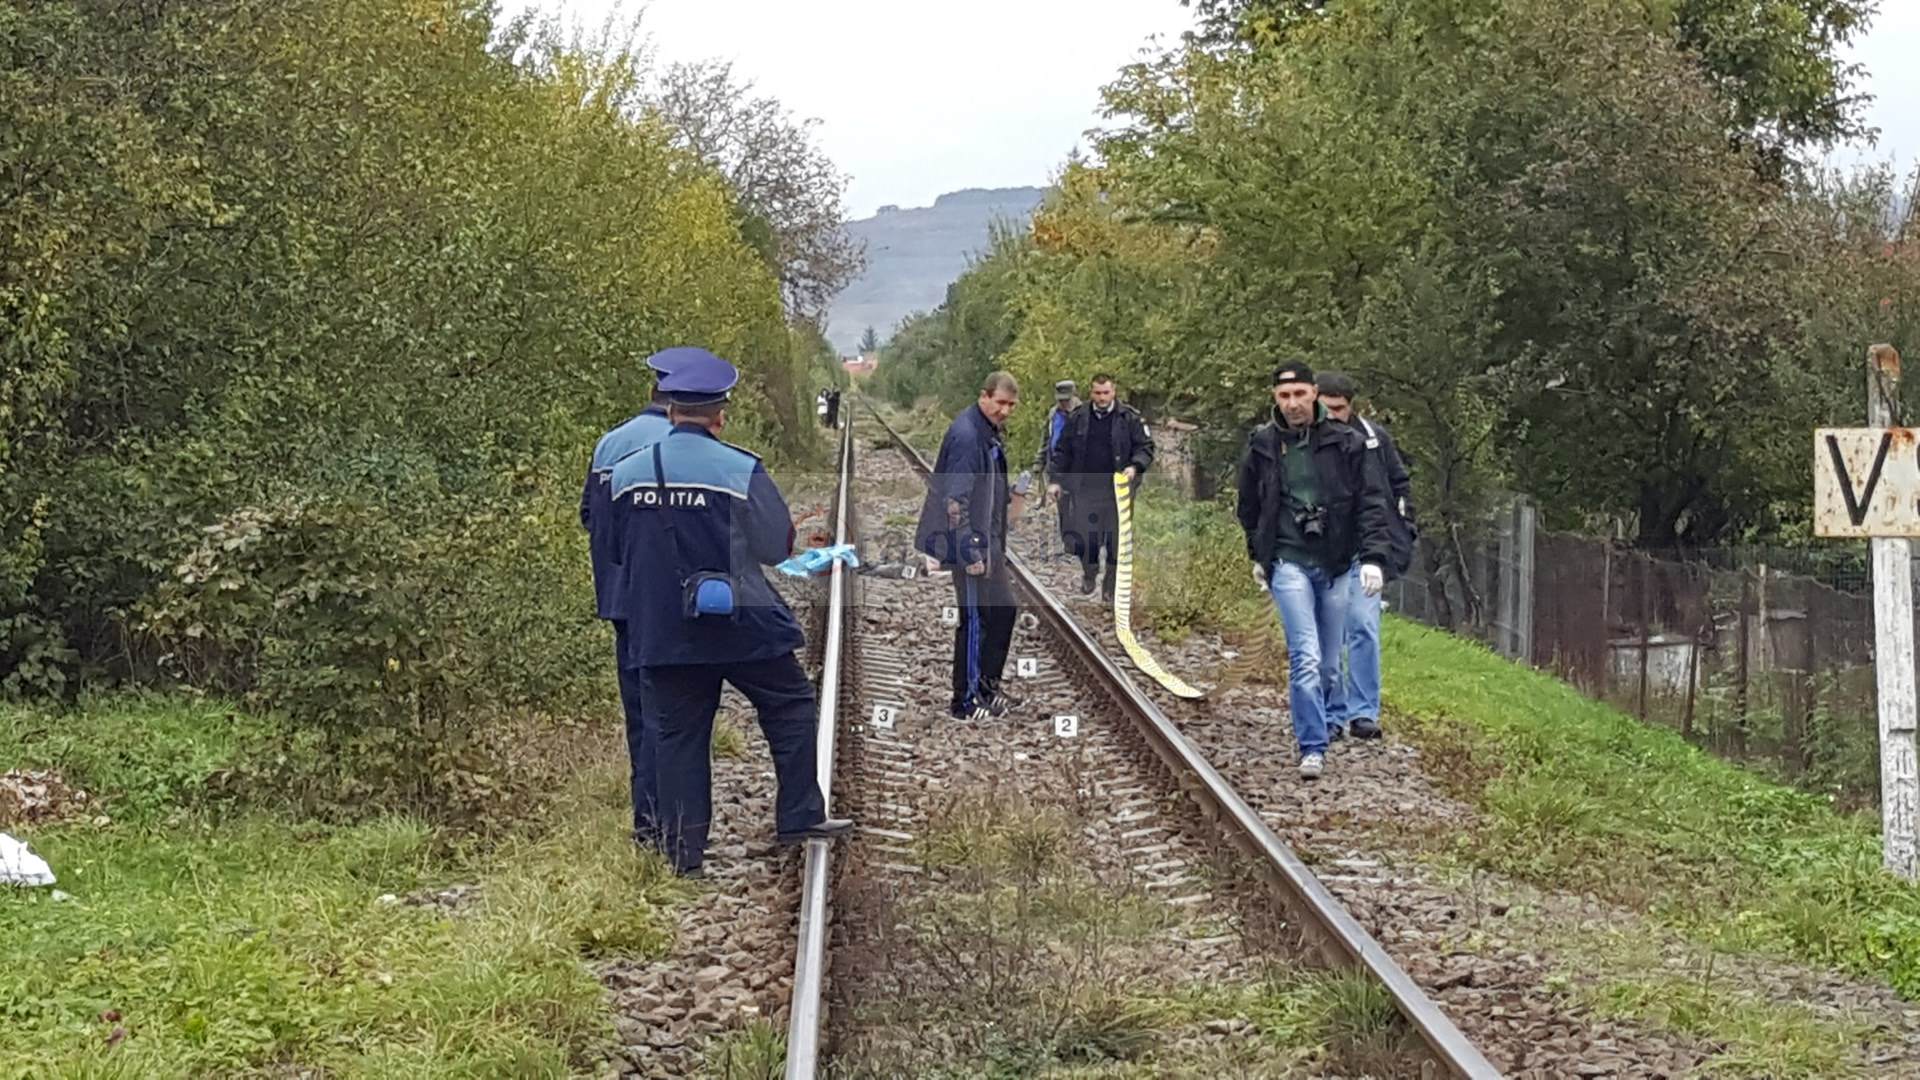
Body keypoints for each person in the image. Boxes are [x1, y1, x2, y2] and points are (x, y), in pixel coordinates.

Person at [610, 350, 851, 876]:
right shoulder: (740, 468)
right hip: (741, 624)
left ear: (670, 409)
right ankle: (799, 816)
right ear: (720, 414)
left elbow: (612, 547)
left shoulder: (626, 474)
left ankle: (683, 855)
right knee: (789, 705)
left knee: (676, 738)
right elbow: (774, 545)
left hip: (663, 632)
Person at [1236, 362, 1394, 780]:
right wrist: (1260, 553)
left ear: (1314, 395)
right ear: (1275, 398)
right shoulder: (1263, 444)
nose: (1293, 404)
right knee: (1304, 657)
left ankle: (1333, 718)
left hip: (1337, 564)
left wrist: (1375, 557)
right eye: (1284, 397)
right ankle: (1312, 744)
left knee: (1327, 663)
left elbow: (1373, 503)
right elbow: (1248, 504)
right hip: (1288, 562)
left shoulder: (1348, 444)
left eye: (1300, 395)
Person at [581, 346, 699, 847]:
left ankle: (645, 822)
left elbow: (592, 517)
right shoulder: (685, 445)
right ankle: (679, 826)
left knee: (639, 715)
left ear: (651, 390)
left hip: (622, 600)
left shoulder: (610, 443)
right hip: (674, 602)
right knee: (678, 718)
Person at [916, 371, 1027, 720]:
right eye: (1000, 403)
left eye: (1011, 405)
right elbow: (955, 501)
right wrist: (969, 552)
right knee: (976, 619)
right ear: (984, 397)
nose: (1005, 411)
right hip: (970, 544)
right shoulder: (967, 436)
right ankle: (965, 701)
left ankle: (987, 687)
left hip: (986, 539)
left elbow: (984, 491)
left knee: (1003, 611)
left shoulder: (987, 433)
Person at [1315, 371, 1417, 742]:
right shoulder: (1301, 443)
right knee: (1327, 635)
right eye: (1325, 408)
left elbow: (1397, 486)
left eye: (1338, 409)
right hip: (1323, 551)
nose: (1332, 416)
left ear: (1350, 407)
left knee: (1362, 624)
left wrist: (1402, 531)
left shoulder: (1374, 441)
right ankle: (1330, 711)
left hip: (1366, 551)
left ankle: (1363, 712)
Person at [1048, 374, 1154, 602]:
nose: (1102, 397)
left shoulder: (1129, 418)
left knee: (1116, 541)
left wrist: (1135, 467)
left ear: (1113, 392)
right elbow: (1062, 451)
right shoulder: (1078, 418)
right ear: (1091, 393)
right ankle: (1090, 572)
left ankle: (1110, 588)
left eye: (1106, 393)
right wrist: (1056, 480)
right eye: (1097, 393)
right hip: (1086, 489)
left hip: (1119, 491)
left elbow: (1145, 447)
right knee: (1087, 537)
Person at [1034, 380, 1080, 555]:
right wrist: (1039, 462)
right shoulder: (1054, 414)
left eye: (1066, 400)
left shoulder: (1083, 414)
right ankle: (1068, 544)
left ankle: (1078, 544)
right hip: (1056, 467)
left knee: (1077, 506)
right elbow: (1046, 440)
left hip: (1077, 469)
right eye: (1061, 400)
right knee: (1063, 507)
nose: (1063, 403)